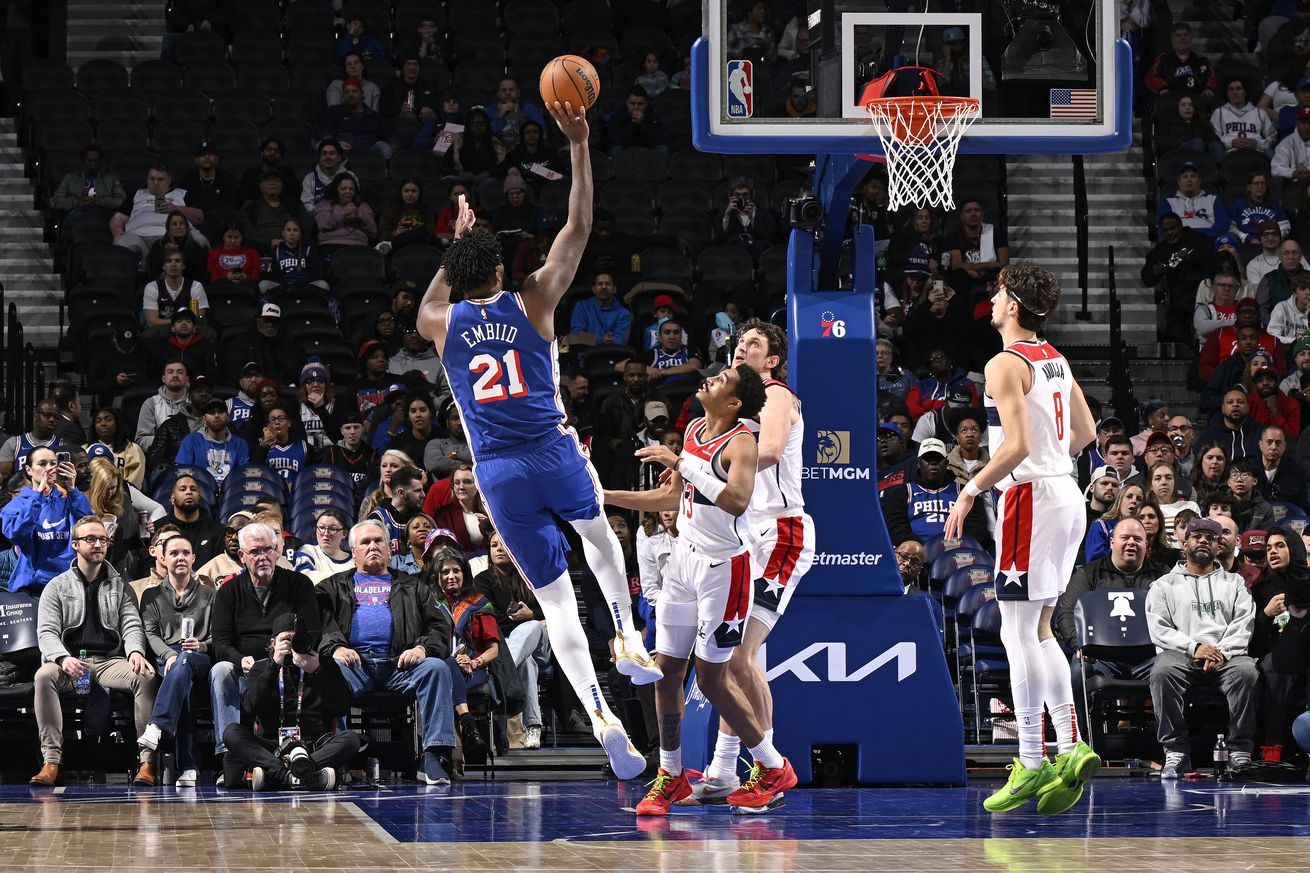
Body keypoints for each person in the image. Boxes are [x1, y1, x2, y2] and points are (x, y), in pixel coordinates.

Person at [416, 99, 659, 782]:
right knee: (603, 541)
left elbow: (424, 303)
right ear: (498, 270)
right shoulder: (534, 301)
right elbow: (579, 224)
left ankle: (600, 713)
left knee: (554, 602)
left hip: (497, 473)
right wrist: (578, 145)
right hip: (552, 450)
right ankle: (628, 633)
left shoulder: (442, 322)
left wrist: (453, 246)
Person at [943, 264, 1100, 816]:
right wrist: (1054, 465)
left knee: (1015, 634)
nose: (992, 298)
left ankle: (1031, 762)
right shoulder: (1054, 358)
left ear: (1013, 306)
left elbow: (1014, 445)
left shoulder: (1003, 363)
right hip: (1067, 495)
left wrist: (970, 491)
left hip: (1030, 497)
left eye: (999, 292)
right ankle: (1071, 744)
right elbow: (1085, 434)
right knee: (1039, 629)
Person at [606, 363, 796, 814]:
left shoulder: (743, 442)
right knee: (666, 670)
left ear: (733, 403)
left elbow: (736, 500)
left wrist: (683, 463)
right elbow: (671, 498)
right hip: (683, 561)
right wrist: (606, 496)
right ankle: (670, 774)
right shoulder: (692, 428)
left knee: (712, 678)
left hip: (724, 570)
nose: (710, 377)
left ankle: (771, 766)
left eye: (722, 379)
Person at [686, 320, 818, 801]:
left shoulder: (777, 394)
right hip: (748, 537)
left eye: (754, 345)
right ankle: (722, 771)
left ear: (772, 360)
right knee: (730, 659)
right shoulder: (730, 412)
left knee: (739, 657)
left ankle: (771, 772)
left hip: (782, 531)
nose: (742, 348)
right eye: (740, 342)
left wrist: (703, 468)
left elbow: (772, 449)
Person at [319, 519, 457, 784]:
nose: (373, 546)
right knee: (325, 671)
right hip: (354, 667)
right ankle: (337, 757)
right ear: (354, 551)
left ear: (390, 548)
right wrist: (335, 647)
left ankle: (433, 756)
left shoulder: (414, 586)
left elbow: (441, 626)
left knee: (437, 668)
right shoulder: (332, 587)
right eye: (365, 542)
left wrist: (422, 648)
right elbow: (318, 622)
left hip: (400, 666)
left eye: (378, 540)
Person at [30, 516, 158, 787]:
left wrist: (135, 651)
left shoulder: (118, 583)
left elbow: (132, 624)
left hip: (109, 661)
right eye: (90, 539)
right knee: (44, 676)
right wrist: (63, 658)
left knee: (144, 675)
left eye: (102, 540)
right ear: (75, 545)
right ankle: (51, 761)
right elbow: (47, 633)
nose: (98, 544)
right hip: (72, 661)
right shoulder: (56, 586)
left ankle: (147, 762)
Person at [1146, 517, 1258, 778]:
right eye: (1198, 536)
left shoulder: (1235, 583)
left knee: (1247, 672)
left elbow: (1244, 624)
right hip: (1181, 654)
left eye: (1211, 537)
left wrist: (1222, 651)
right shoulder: (1164, 585)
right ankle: (1175, 752)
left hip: (1226, 656)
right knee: (1162, 671)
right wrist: (1194, 647)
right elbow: (1159, 628)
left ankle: (1239, 750)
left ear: (1219, 546)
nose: (1204, 540)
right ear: (1184, 543)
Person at [209, 522, 320, 773]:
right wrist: (240, 660)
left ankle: (310, 752)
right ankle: (230, 756)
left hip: (289, 664)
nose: (263, 557)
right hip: (247, 666)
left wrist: (287, 655)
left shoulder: (299, 584)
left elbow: (312, 631)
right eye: (255, 552)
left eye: (268, 550)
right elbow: (220, 642)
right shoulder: (228, 591)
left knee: (322, 666)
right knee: (221, 670)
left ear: (278, 550)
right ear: (242, 556)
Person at [222, 612, 361, 791]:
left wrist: (316, 672)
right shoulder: (261, 667)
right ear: (273, 643)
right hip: (273, 747)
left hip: (314, 745)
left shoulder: (322, 664)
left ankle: (280, 775)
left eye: (297, 639)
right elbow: (250, 707)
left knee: (351, 739)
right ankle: (301, 776)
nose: (292, 645)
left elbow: (342, 706)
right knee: (232, 733)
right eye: (286, 640)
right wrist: (273, 666)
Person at [1054, 518, 1160, 736]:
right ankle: (1082, 741)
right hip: (1102, 658)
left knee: (1173, 669)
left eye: (1138, 539)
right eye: (1125, 538)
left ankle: (1171, 747)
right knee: (1077, 668)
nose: (1131, 543)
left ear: (1146, 545)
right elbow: (1065, 612)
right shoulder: (1089, 574)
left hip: (1150, 658)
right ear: (1112, 542)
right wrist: (1079, 646)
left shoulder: (1162, 575)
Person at [135, 535, 214, 787]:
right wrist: (169, 655)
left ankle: (157, 725)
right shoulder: (150, 596)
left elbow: (218, 636)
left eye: (185, 553)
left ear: (193, 558)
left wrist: (201, 645)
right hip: (166, 659)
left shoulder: (210, 595)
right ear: (162, 558)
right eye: (174, 553)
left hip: (201, 657)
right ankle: (189, 768)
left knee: (186, 662)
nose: (180, 557)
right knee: (184, 685)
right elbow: (150, 634)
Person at [474, 529, 551, 750]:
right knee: (527, 664)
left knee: (532, 627)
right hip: (505, 646)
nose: (498, 549)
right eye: (494, 545)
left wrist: (532, 616)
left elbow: (552, 610)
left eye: (503, 544)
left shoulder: (530, 576)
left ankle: (497, 675)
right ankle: (533, 726)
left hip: (538, 645)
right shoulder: (483, 580)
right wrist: (530, 617)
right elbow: (490, 619)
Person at [0, 447, 93, 595]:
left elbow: (89, 529)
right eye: (42, 464)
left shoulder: (70, 500)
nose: (49, 468)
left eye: (53, 463)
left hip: (68, 585)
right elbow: (16, 535)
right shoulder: (18, 504)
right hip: (33, 589)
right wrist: (37, 497)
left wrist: (73, 489)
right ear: (29, 470)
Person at [111, 164, 208, 258]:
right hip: (139, 237)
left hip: (177, 235)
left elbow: (199, 217)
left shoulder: (181, 194)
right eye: (152, 179)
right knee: (122, 242)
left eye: (160, 179)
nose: (155, 183)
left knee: (200, 241)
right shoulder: (138, 194)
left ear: (169, 180)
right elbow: (117, 218)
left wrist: (175, 208)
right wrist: (118, 231)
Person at [176, 398, 249, 487]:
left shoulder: (240, 443)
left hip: (230, 491)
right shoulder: (191, 440)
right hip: (201, 491)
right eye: (211, 412)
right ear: (204, 419)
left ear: (228, 417)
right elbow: (183, 474)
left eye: (221, 411)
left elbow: (243, 475)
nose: (216, 415)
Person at [368, 465, 426, 557]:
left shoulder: (423, 518)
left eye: (422, 490)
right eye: (417, 491)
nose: (423, 495)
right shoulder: (378, 519)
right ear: (401, 493)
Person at [0, 398, 61, 478]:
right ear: (35, 415)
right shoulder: (14, 444)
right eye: (47, 415)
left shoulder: (62, 445)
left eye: (56, 417)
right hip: (21, 489)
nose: (52, 419)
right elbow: (5, 480)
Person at [568, 272, 631, 348]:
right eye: (600, 284)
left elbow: (620, 341)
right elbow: (576, 335)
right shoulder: (581, 307)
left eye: (607, 284)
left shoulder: (624, 313)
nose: (604, 287)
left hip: (614, 355)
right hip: (587, 356)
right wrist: (600, 339)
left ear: (614, 289)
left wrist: (590, 339)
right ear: (594, 289)